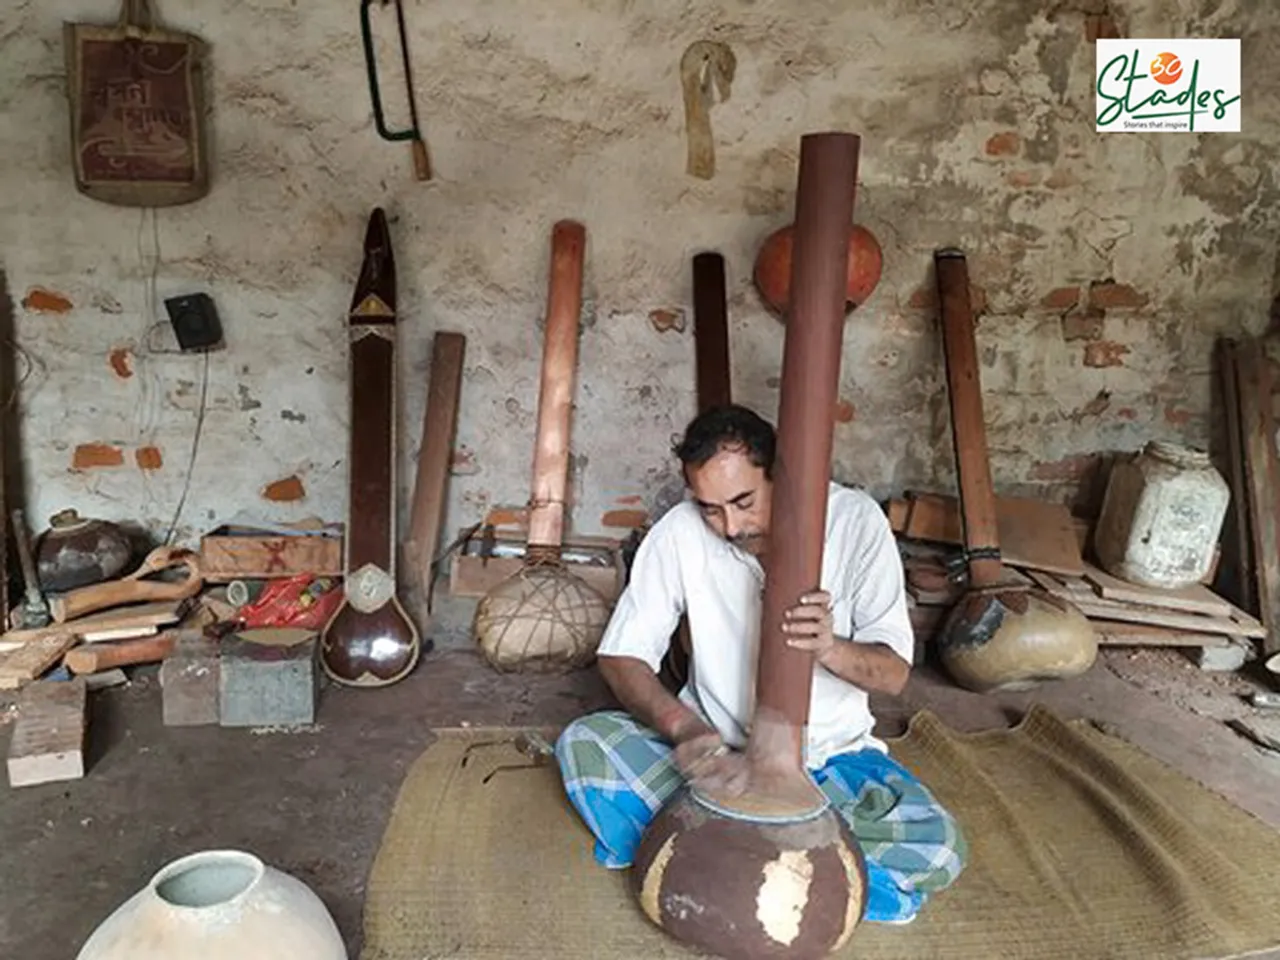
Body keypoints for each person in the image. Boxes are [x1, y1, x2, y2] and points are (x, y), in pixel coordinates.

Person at [555, 403, 967, 925]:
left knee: (938, 844)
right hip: (715, 764)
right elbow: (621, 656)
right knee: (586, 746)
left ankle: (703, 867)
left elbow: (893, 673)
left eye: (743, 501)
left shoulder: (855, 521)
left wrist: (830, 647)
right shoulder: (681, 532)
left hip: (830, 765)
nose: (729, 526)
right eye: (710, 507)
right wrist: (685, 730)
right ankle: (803, 883)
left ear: (781, 476)